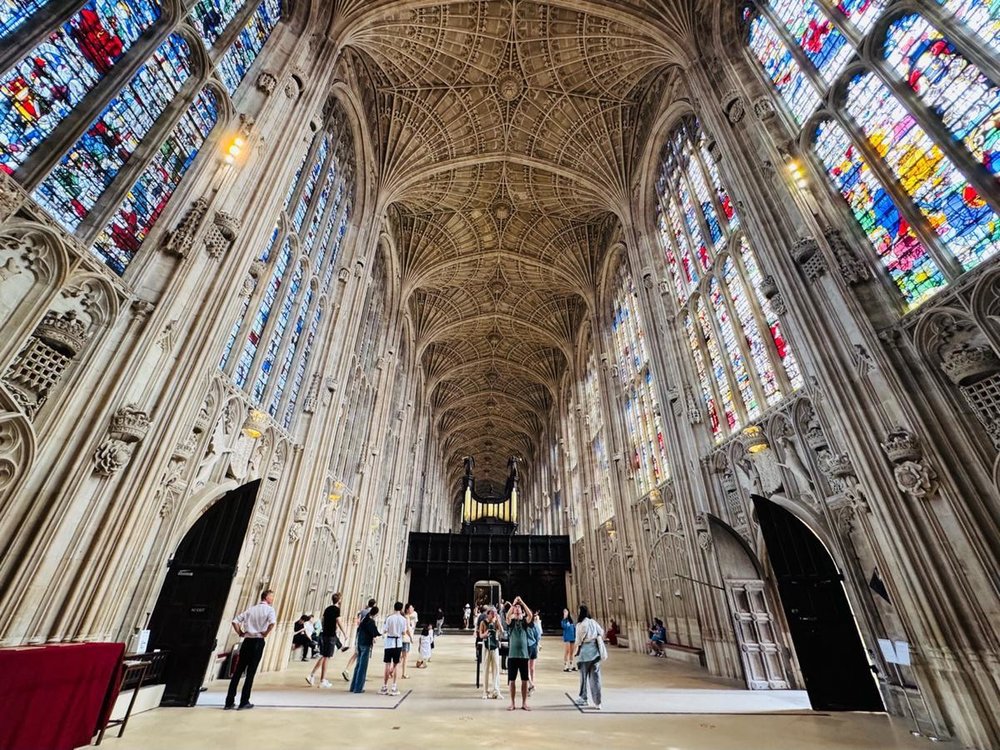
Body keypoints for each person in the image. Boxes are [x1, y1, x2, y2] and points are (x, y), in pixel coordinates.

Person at [224, 589, 277, 710]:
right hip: (258, 641)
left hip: (247, 641)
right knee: (250, 673)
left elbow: (235, 621)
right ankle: (244, 701)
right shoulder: (269, 609)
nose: (273, 599)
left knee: (238, 672)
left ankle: (228, 702)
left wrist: (241, 633)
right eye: (272, 597)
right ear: (267, 597)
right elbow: (272, 623)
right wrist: (266, 633)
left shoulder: (251, 609)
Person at [309, 592, 348, 687]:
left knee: (323, 656)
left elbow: (323, 620)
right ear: (339, 600)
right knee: (327, 657)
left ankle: (312, 675)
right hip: (330, 635)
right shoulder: (336, 609)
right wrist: (344, 633)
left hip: (324, 634)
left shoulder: (327, 609)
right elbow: (339, 621)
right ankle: (322, 680)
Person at [505, 596, 534, 711]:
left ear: (522, 612)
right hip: (512, 656)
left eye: (519, 609)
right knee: (512, 680)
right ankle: (512, 703)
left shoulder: (524, 622)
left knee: (524, 680)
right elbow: (507, 616)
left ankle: (524, 703)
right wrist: (513, 604)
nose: (517, 609)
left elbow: (530, 615)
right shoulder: (511, 622)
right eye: (515, 609)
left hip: (523, 656)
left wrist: (522, 602)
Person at [575, 605, 605, 710]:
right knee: (595, 678)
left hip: (585, 654)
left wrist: (576, 651)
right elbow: (601, 632)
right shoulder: (593, 622)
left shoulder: (581, 625)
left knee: (584, 677)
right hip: (595, 654)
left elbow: (578, 640)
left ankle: (583, 698)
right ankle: (598, 702)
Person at [342, 598, 376, 681]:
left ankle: (347, 669)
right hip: (366, 636)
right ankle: (361, 674)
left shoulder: (362, 611)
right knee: (364, 655)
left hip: (359, 633)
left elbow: (358, 620)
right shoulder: (371, 613)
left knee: (357, 653)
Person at [380, 601, 409, 696]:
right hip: (398, 644)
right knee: (396, 665)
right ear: (401, 609)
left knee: (387, 665)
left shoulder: (389, 618)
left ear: (394, 608)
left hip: (389, 643)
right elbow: (404, 632)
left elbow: (385, 630)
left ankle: (384, 687)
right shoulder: (403, 619)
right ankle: (394, 686)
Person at [349, 605, 380, 693]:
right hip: (365, 644)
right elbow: (375, 632)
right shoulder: (370, 621)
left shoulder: (364, 620)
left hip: (359, 643)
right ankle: (358, 688)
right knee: (363, 666)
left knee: (358, 665)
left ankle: (353, 686)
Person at [478, 607, 504, 699]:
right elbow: (480, 635)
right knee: (485, 669)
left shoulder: (496, 622)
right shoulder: (483, 622)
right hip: (486, 647)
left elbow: (502, 631)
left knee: (496, 668)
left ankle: (496, 691)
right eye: (492, 613)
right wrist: (485, 634)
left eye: (495, 613)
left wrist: (498, 621)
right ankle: (485, 691)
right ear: (488, 614)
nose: (493, 615)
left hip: (495, 647)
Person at [401, 603, 418, 679]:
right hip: (406, 639)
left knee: (402, 657)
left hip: (405, 639)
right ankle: (404, 673)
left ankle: (392, 670)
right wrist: (411, 638)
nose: (412, 609)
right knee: (405, 657)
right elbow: (407, 629)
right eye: (411, 608)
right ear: (407, 609)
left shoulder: (408, 617)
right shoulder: (406, 617)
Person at [526, 604, 540, 693]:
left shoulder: (534, 625)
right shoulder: (524, 625)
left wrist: (537, 646)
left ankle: (531, 683)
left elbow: (537, 636)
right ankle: (530, 684)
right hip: (526, 647)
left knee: (532, 668)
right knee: (525, 668)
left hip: (533, 646)